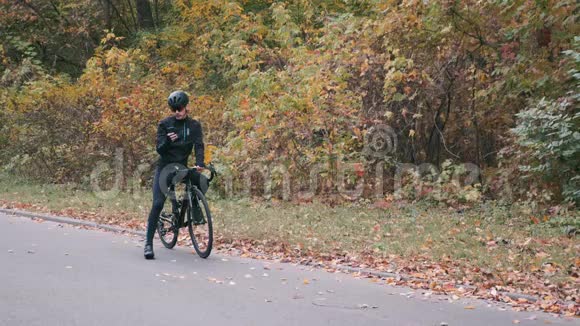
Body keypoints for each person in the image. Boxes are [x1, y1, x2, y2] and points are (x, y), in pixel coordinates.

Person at [144, 90, 206, 260]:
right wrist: (168, 141)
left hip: (181, 167)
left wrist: (200, 163)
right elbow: (159, 149)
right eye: (174, 109)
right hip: (165, 168)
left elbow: (199, 145)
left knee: (202, 181)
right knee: (157, 203)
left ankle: (193, 206)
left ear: (186, 107)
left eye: (179, 108)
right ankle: (148, 244)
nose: (177, 112)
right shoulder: (165, 124)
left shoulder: (194, 125)